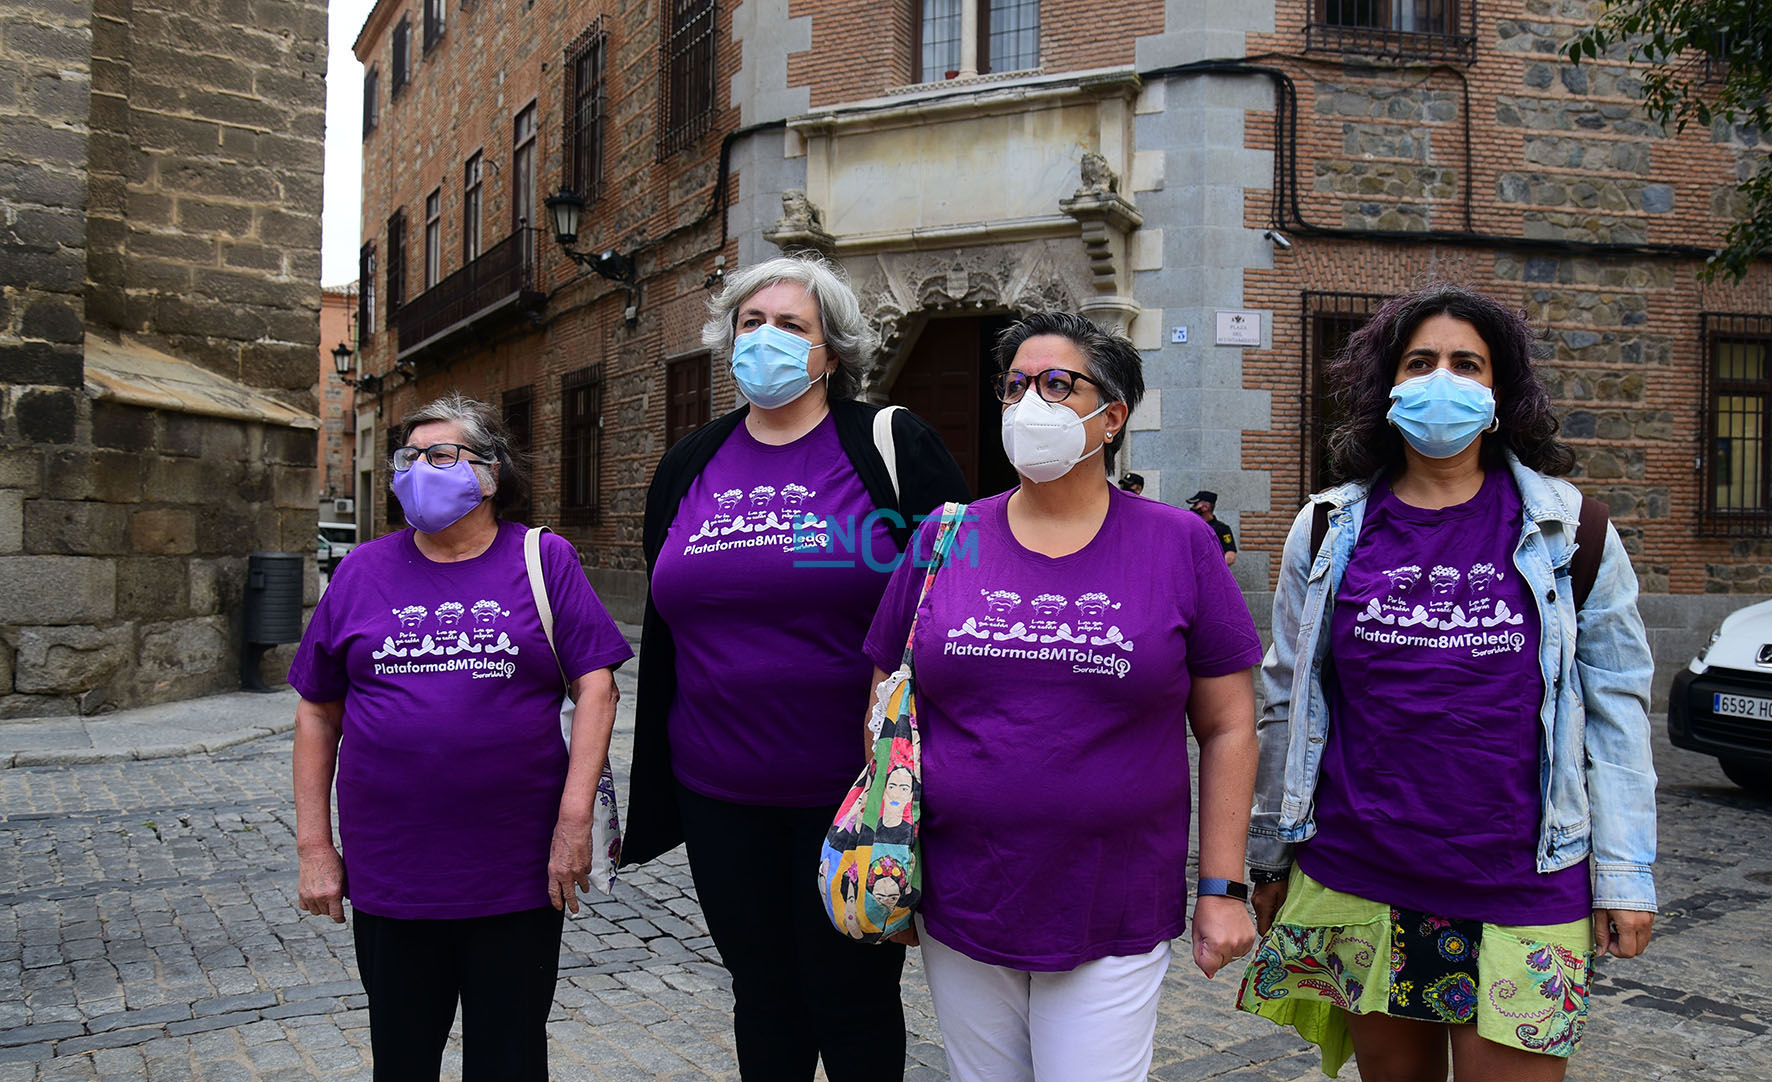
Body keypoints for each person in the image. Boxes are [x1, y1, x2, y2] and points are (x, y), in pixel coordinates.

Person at [1236, 283, 1657, 1081]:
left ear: (1501, 392)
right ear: (1387, 387)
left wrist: (1628, 876)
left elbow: (1617, 713)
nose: (1442, 380)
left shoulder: (1577, 533)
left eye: (1468, 364)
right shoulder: (1327, 529)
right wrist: (1269, 858)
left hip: (1527, 884)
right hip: (1362, 872)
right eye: (1420, 361)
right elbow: (1286, 702)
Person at [863, 311, 1263, 1082]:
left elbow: (1229, 724)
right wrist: (893, 855)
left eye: (1055, 384)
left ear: (1110, 416)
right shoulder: (946, 539)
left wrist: (1223, 886)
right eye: (1015, 386)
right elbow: (887, 698)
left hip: (1111, 900)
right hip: (962, 895)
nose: (1028, 404)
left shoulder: (1178, 544)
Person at [624, 253, 968, 1081]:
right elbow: (668, 611)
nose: (766, 340)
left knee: (849, 997)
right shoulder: (688, 464)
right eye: (751, 323)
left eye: (791, 325)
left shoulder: (887, 446)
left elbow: (958, 586)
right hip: (716, 786)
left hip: (852, 793)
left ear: (831, 351)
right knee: (761, 994)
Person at [292, 393, 633, 1082]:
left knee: (509, 1057)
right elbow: (317, 712)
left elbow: (597, 687)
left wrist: (573, 823)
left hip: (514, 868)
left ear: (491, 472)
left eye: (441, 454)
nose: (420, 468)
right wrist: (314, 846)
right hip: (393, 870)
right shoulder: (361, 570)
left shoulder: (543, 559)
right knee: (402, 1053)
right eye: (408, 457)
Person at [1187, 490, 1237, 566]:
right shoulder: (1190, 527)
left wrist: (1210, 568)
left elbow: (1230, 557)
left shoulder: (1222, 529)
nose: (1192, 508)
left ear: (1205, 507)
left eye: (1195, 504)